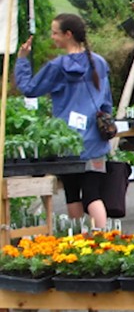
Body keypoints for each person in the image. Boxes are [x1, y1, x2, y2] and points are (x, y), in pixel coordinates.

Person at [15, 13, 113, 230]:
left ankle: (78, 243)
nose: (52, 37)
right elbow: (106, 103)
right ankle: (104, 240)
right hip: (95, 141)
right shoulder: (99, 63)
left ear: (68, 35)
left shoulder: (58, 66)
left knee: (72, 194)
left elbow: (30, 89)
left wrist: (22, 59)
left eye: (55, 33)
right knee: (93, 194)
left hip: (67, 143)